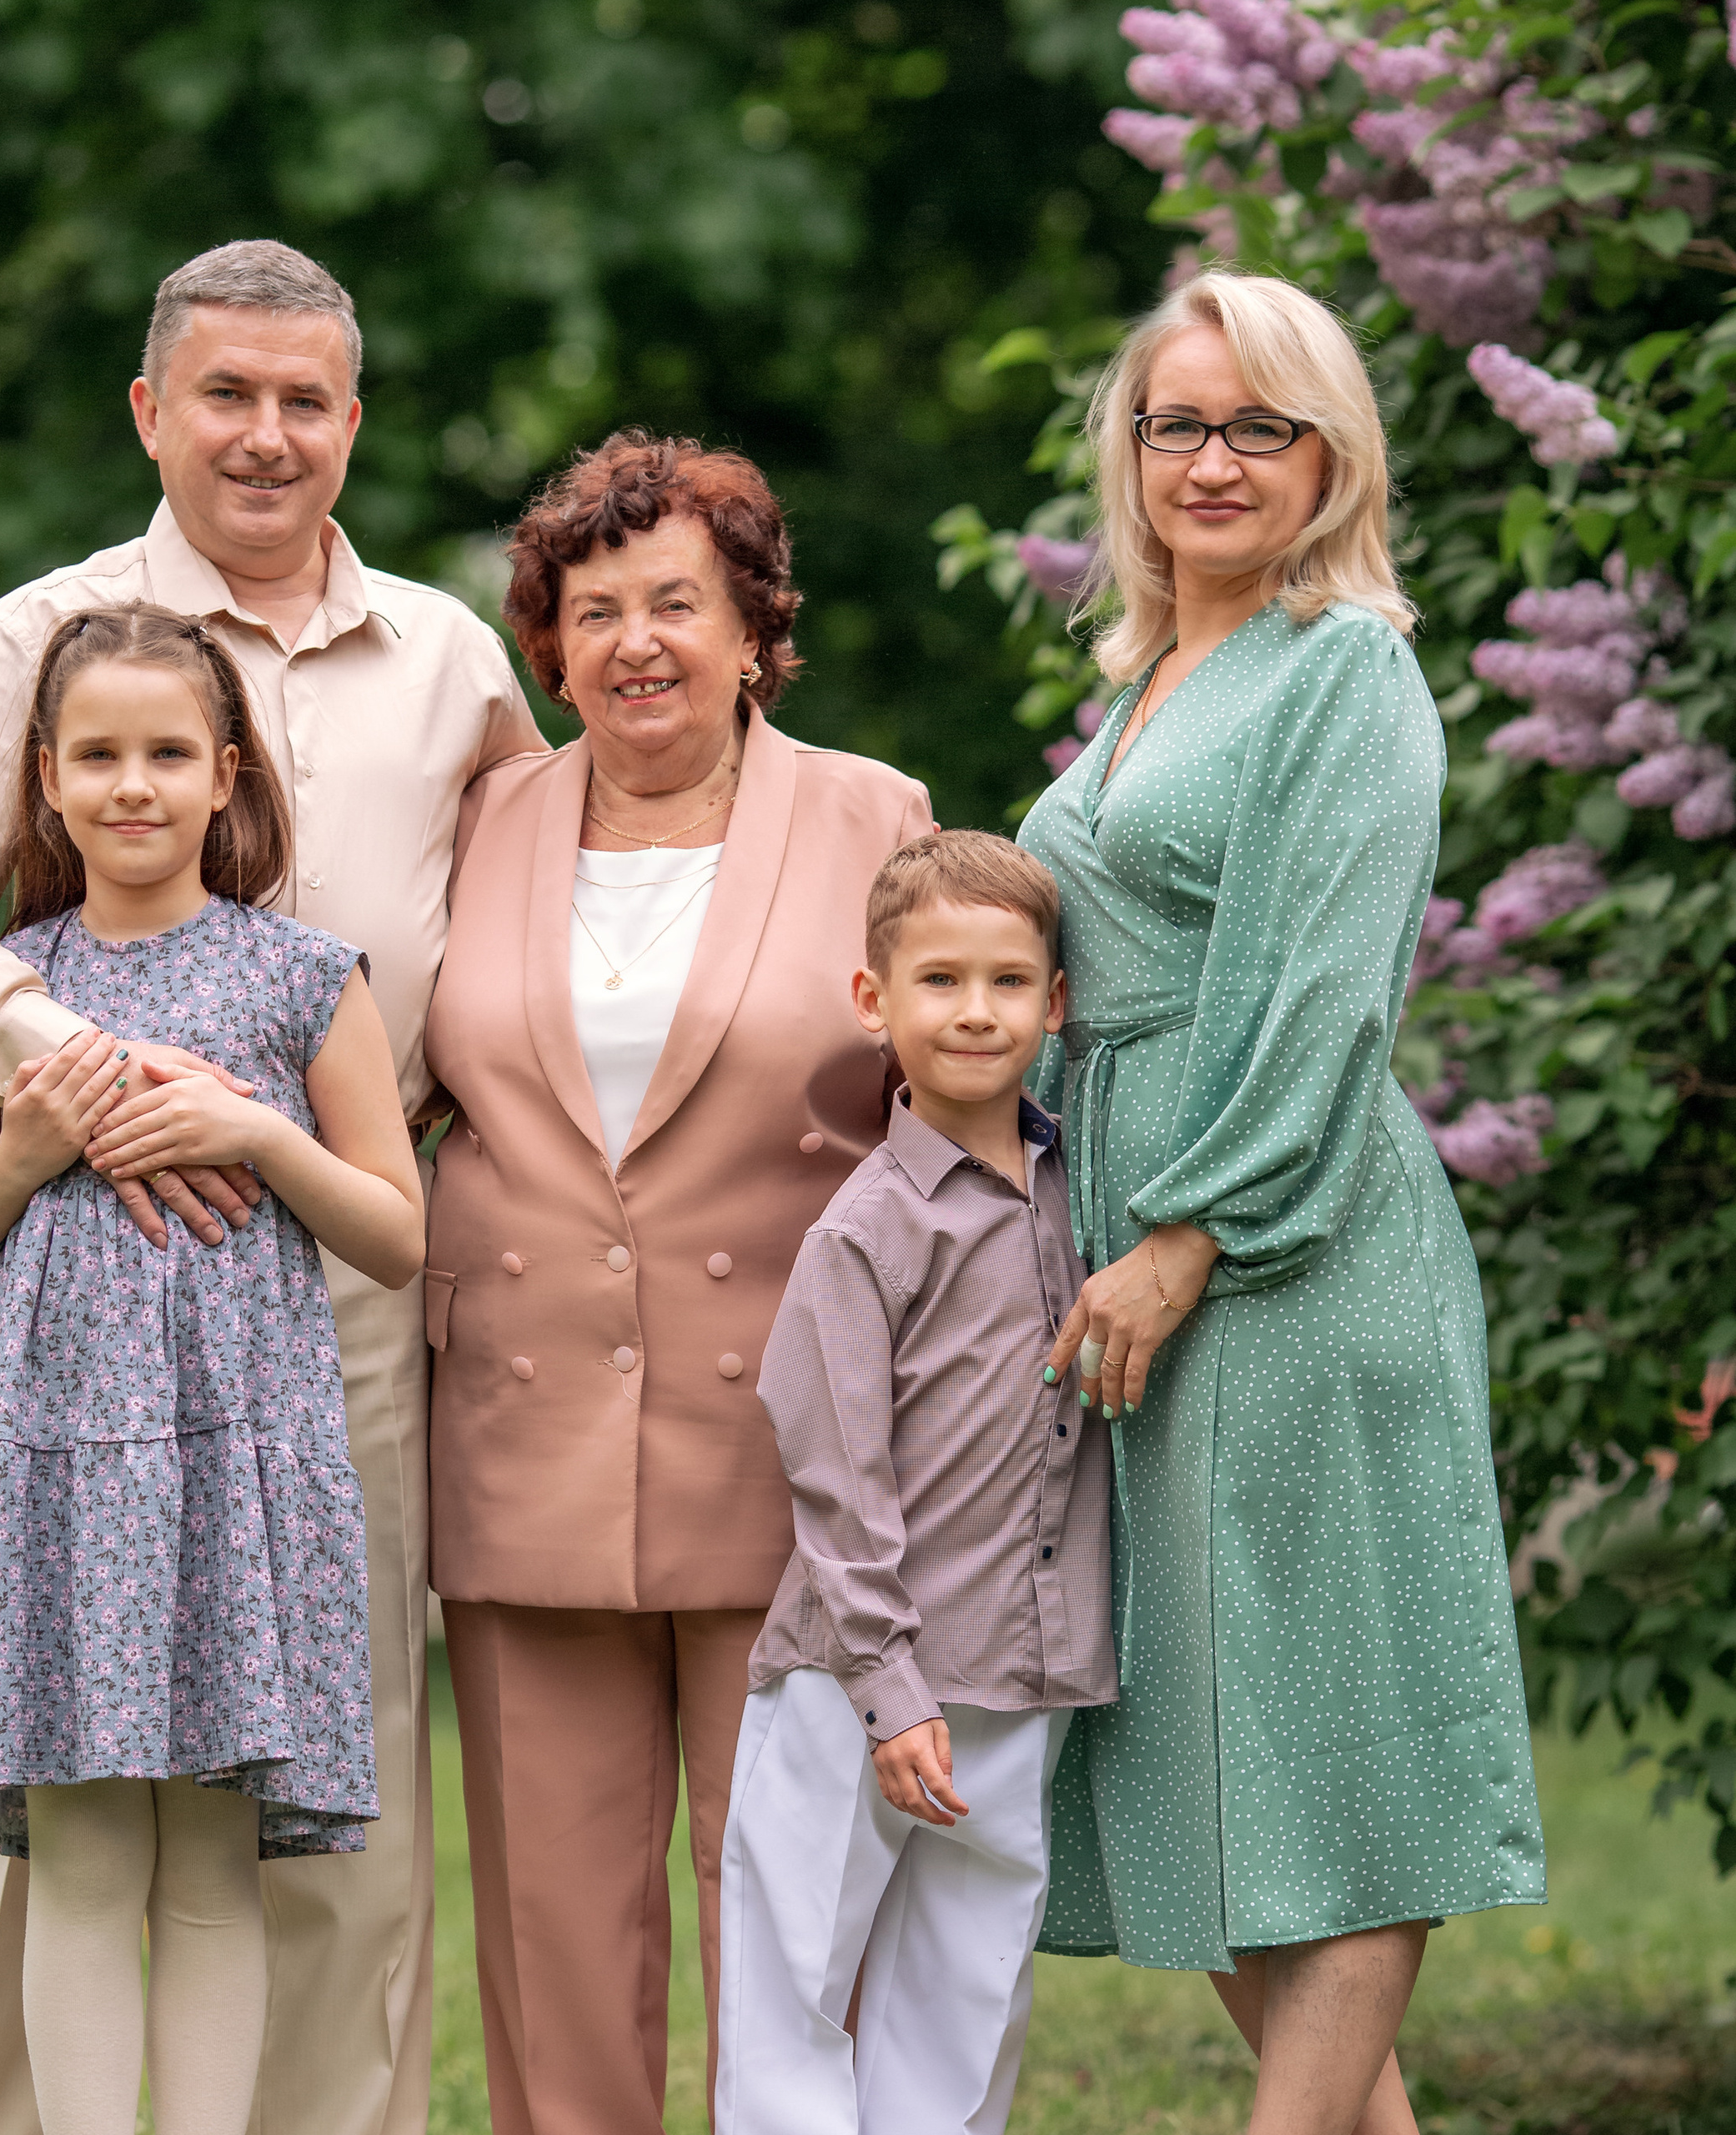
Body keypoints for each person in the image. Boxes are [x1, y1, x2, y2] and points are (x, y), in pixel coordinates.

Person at [0, 240, 544, 2135]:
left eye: (303, 397)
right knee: (38, 1791)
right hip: (71, 1278)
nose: (265, 433)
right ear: (152, 411)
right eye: (223, 393)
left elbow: (539, 923)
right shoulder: (41, 635)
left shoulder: (449, 655)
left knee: (325, 1778)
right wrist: (67, 1074)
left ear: (352, 420)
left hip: (337, 1278)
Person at [1018, 269, 1546, 2134]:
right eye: (1178, 422)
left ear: (1330, 454)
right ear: (1131, 448)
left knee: (1332, 1748)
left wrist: (1186, 1230)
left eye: (1260, 424)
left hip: (1282, 1238)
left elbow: (1324, 984)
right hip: (1128, 1235)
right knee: (1196, 1737)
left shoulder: (1343, 668)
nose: (1213, 459)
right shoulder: (1144, 677)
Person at [421, 430, 933, 2132]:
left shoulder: (874, 814)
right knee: (552, 1944)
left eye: (675, 601)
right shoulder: (477, 820)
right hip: (521, 1444)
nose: (634, 640)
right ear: (546, 644)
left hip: (792, 1464)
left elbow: (940, 1132)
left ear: (751, 626)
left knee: (795, 1939)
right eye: (591, 608)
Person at [0, 605, 424, 2135]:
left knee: (207, 1871)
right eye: (101, 756)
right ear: (47, 777)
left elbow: (396, 1232)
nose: (136, 786)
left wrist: (259, 1134)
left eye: (169, 754)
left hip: (228, 1470)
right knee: (78, 1867)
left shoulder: (305, 979)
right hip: (52, 1468)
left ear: (226, 772)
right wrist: (31, 1150)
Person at [713, 830, 1115, 2135]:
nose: (977, 1011)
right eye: (939, 981)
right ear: (873, 1000)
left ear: (1056, 1005)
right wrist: (890, 1693)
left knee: (969, 1988)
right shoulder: (868, 1227)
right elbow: (834, 1471)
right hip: (860, 1680)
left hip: (1018, 1665)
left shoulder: (1084, 1191)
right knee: (793, 1991)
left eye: (1009, 982)